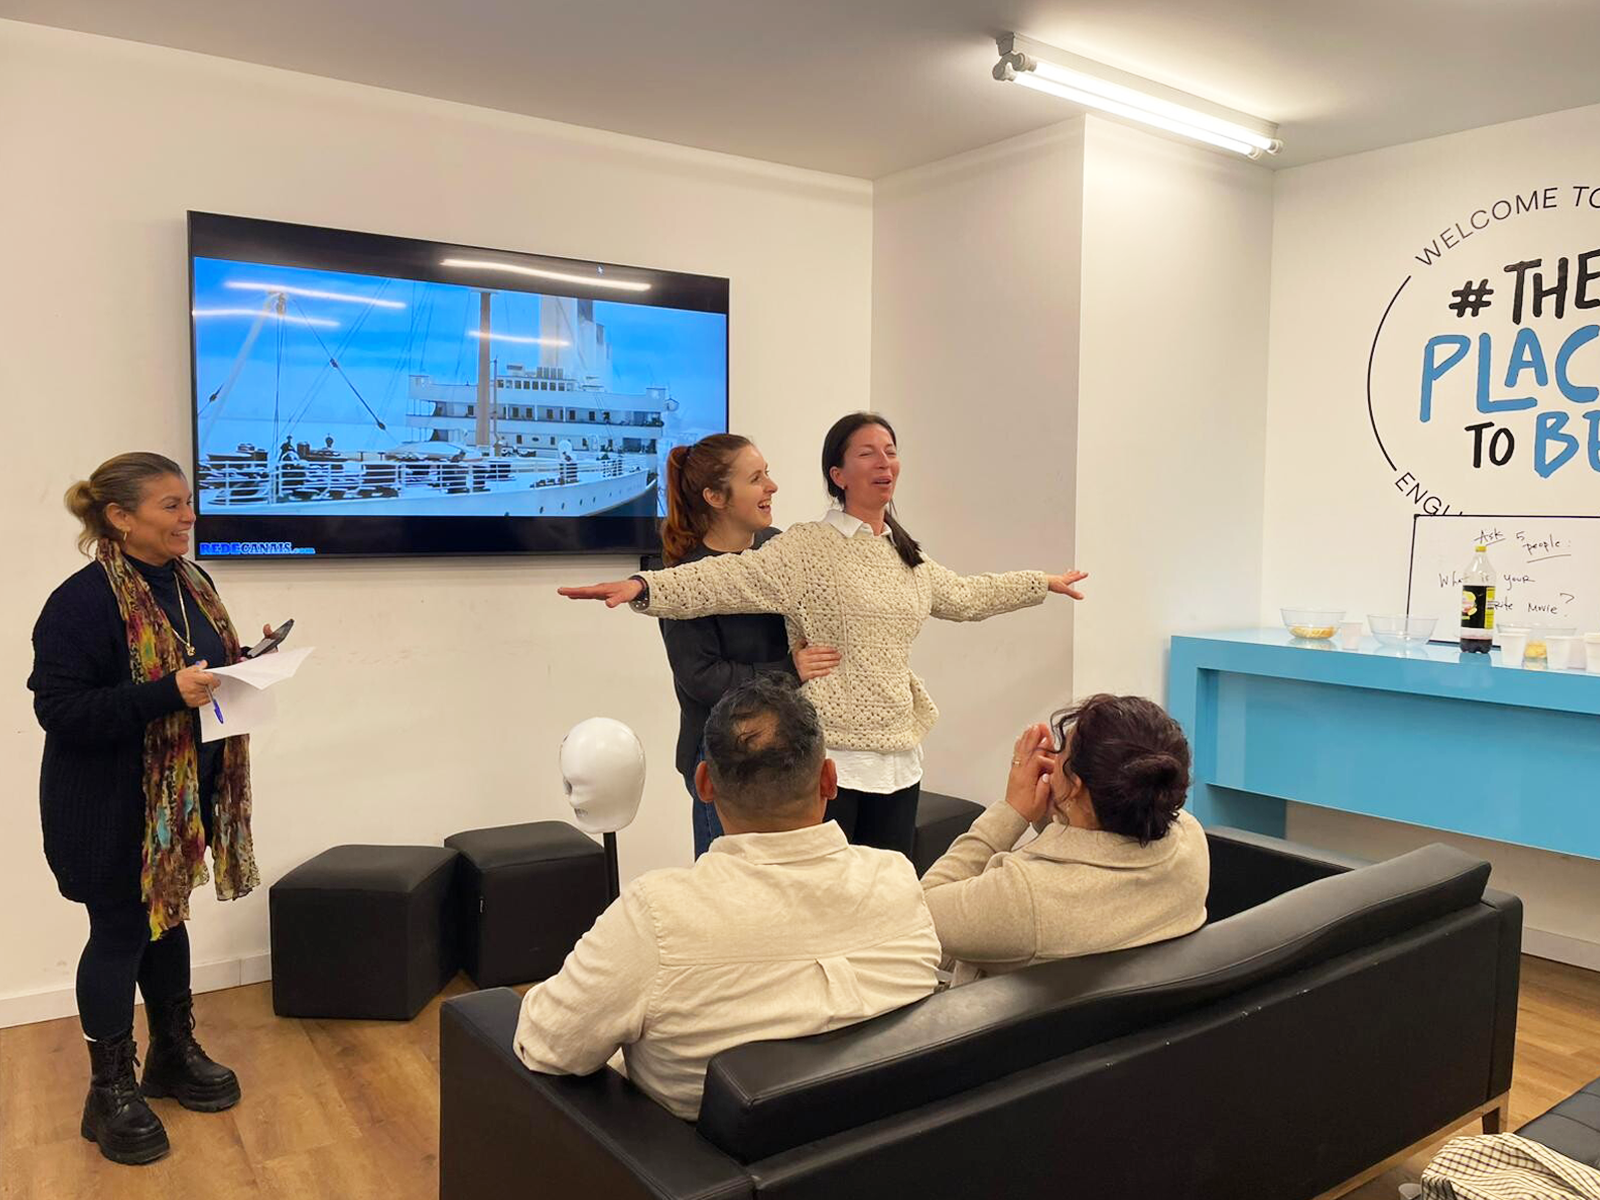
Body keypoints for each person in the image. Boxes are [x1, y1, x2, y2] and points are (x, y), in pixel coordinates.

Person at [558, 411, 1087, 857]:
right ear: (838, 473)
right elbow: (720, 579)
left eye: (891, 452)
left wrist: (1040, 583)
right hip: (830, 757)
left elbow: (966, 596)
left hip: (900, 758)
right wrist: (643, 585)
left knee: (883, 895)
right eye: (868, 453)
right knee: (820, 898)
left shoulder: (906, 555)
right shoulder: (806, 547)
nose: (884, 462)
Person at [513, 677, 940, 1120]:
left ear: (704, 783)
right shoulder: (897, 879)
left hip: (690, 1157)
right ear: (830, 780)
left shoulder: (656, 916)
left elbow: (546, 1043)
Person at [28, 452, 278, 1166]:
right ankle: (109, 1092)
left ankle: (172, 1052)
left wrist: (245, 661)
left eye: (188, 502)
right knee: (120, 932)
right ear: (119, 517)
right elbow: (60, 710)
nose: (189, 516)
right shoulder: (81, 602)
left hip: (180, 802)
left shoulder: (192, 582)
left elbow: (195, 669)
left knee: (166, 924)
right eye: (171, 505)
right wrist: (168, 692)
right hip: (105, 808)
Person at [921, 694, 1209, 986]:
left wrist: (1011, 812)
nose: (1054, 759)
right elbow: (1094, 855)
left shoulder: (1025, 896)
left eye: (1062, 751)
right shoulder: (1190, 840)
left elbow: (918, 914)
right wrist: (1060, 806)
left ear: (1077, 786)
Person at [655, 434, 839, 857]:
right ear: (716, 497)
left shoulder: (779, 548)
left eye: (767, 474)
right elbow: (702, 678)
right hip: (725, 754)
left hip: (789, 745)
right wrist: (790, 670)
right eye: (756, 479)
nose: (772, 486)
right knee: (733, 883)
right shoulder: (684, 578)